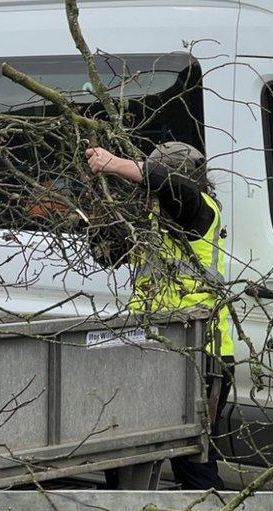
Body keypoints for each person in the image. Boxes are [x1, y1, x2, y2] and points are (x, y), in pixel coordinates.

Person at [85, 142, 234, 490]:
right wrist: (100, 210)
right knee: (125, 454)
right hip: (152, 351)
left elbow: (173, 187)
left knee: (191, 459)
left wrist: (117, 165)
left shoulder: (199, 209)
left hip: (198, 355)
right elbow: (106, 255)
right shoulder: (153, 222)